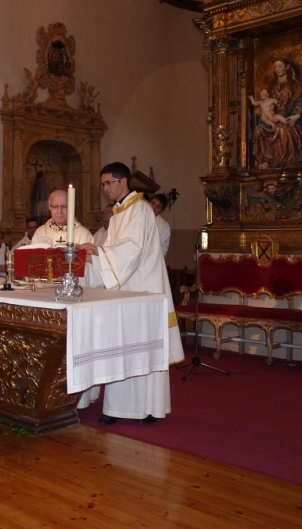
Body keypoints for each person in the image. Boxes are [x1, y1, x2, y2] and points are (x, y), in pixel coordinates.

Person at [81, 162, 184, 425]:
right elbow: (117, 251)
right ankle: (118, 407)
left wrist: (100, 253)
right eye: (102, 184)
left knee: (141, 348)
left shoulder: (138, 209)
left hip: (143, 290)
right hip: (127, 288)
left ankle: (147, 407)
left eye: (108, 183)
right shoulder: (120, 212)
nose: (105, 189)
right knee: (123, 346)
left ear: (122, 181)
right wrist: (97, 253)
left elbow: (132, 249)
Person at [252, 57, 302, 169]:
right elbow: (263, 103)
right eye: (275, 67)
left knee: (282, 129)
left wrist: (297, 116)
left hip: (289, 121)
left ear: (287, 67)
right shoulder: (271, 88)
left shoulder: (295, 86)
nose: (277, 69)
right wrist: (260, 110)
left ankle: (283, 162)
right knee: (259, 130)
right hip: (272, 119)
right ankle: (266, 161)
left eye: (280, 66)